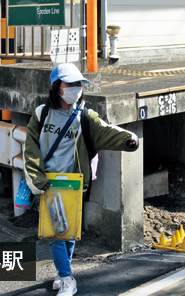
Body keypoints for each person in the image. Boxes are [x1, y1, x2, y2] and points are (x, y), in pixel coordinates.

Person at [24, 63, 139, 296]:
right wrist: (36, 176)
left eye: (79, 84)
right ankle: (67, 278)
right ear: (57, 87)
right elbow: (31, 147)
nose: (76, 89)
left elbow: (105, 131)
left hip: (75, 184)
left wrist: (128, 139)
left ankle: (62, 272)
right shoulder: (41, 114)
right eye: (71, 84)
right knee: (57, 234)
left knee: (71, 232)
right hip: (51, 184)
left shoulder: (85, 115)